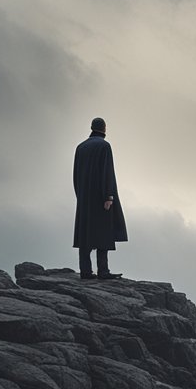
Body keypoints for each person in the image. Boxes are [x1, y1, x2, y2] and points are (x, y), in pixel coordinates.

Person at [72, 117, 128, 280]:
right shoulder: (104, 146)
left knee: (86, 234)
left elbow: (75, 174)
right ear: (104, 128)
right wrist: (108, 196)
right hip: (100, 197)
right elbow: (107, 172)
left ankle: (85, 271)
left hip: (84, 198)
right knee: (103, 233)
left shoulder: (80, 147)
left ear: (91, 128)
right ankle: (103, 271)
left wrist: (80, 195)